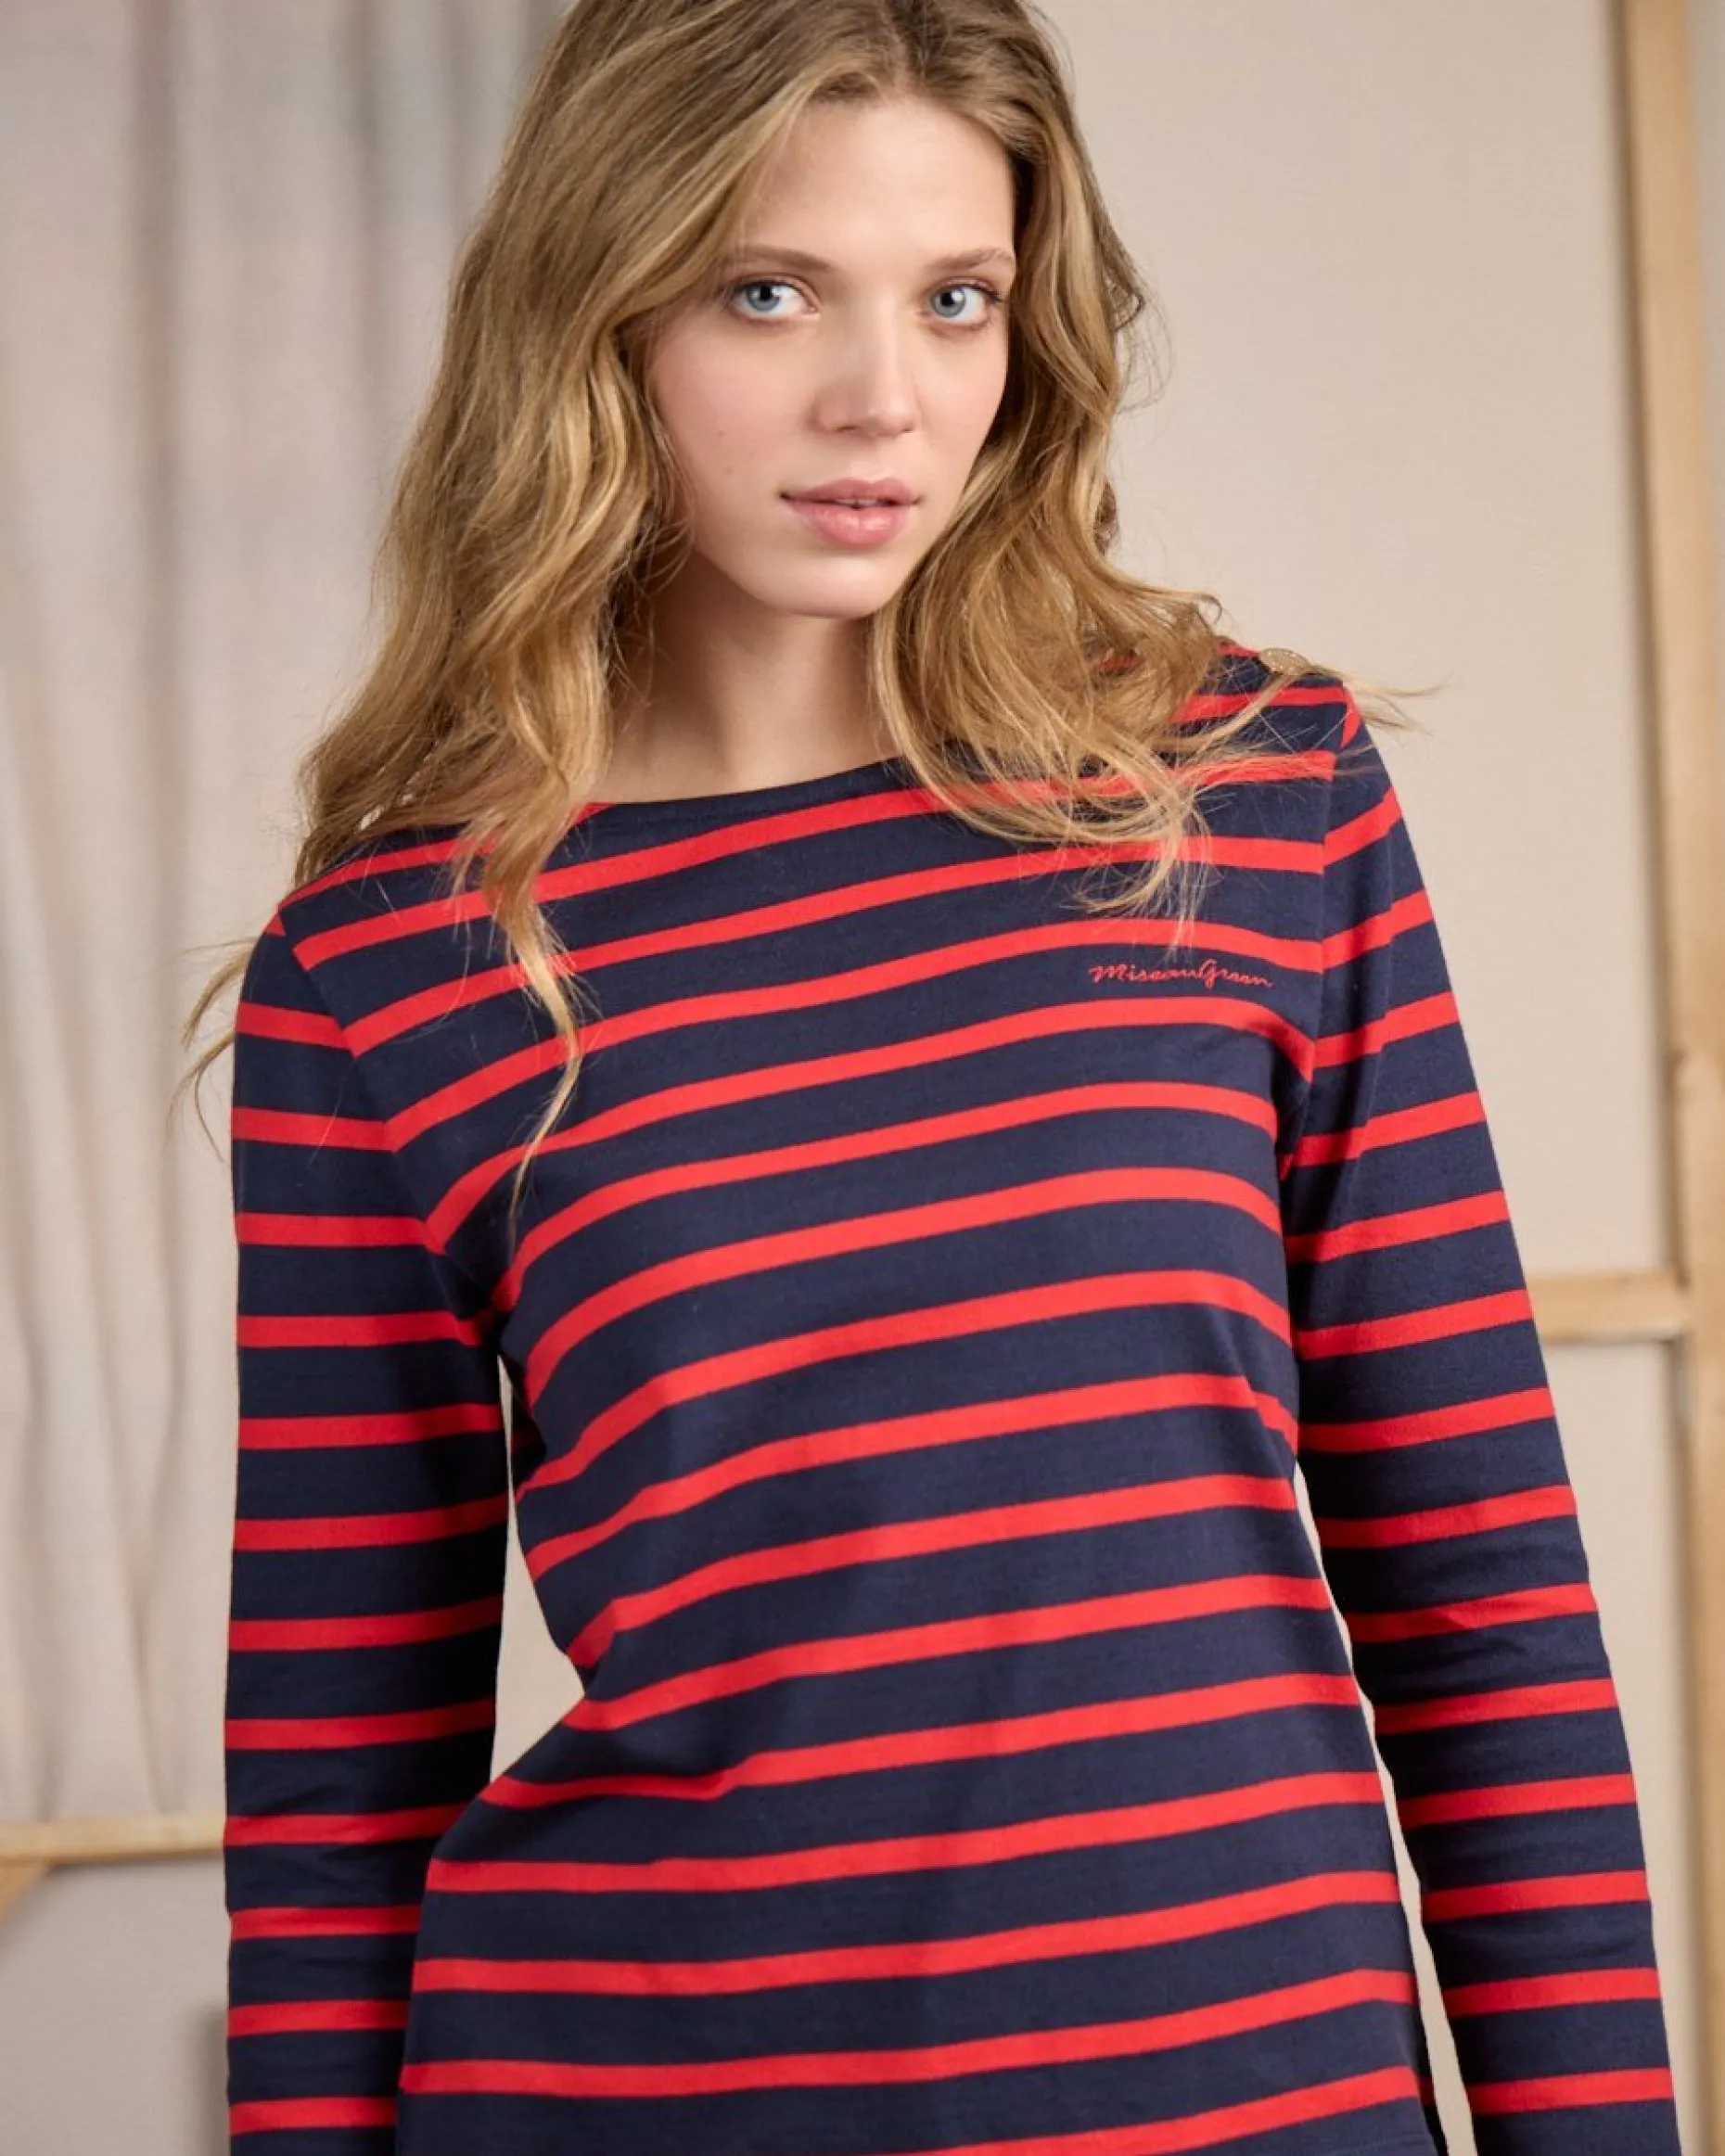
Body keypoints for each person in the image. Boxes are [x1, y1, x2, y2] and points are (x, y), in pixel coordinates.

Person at [181, 2, 1686, 2150]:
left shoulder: (1251, 801)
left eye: (956, 297)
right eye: (767, 291)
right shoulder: (393, 972)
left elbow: (1483, 1605)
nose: (880, 396)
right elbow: (339, 1785)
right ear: (597, 313)